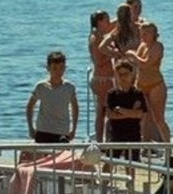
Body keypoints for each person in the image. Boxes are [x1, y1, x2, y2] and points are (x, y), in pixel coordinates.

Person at [104, 60, 156, 157]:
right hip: (116, 134)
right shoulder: (112, 94)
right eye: (120, 74)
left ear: (131, 74)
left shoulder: (138, 94)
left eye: (126, 74)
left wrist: (121, 110)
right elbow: (110, 115)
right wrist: (132, 113)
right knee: (110, 161)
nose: (123, 77)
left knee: (131, 164)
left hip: (133, 134)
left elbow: (140, 114)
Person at [25, 50, 79, 145]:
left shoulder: (69, 87)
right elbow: (30, 106)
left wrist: (74, 129)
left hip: (62, 131)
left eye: (61, 68)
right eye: (54, 68)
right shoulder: (41, 87)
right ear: (48, 68)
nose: (58, 71)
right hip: (43, 130)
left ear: (65, 68)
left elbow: (75, 108)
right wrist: (30, 127)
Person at [130, 22, 168, 140]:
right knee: (143, 118)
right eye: (142, 33)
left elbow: (146, 63)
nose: (143, 36)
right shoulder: (142, 45)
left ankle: (168, 147)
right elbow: (136, 65)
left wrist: (132, 54)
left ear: (153, 34)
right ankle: (145, 146)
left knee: (159, 119)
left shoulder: (158, 46)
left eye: (146, 34)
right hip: (141, 84)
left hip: (155, 85)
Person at [86, 10, 115, 141]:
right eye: (106, 19)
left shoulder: (100, 35)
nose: (108, 22)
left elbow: (114, 25)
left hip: (107, 78)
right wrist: (112, 54)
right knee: (103, 112)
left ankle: (104, 139)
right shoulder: (95, 38)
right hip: (101, 79)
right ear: (99, 22)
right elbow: (98, 61)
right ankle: (100, 140)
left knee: (105, 111)